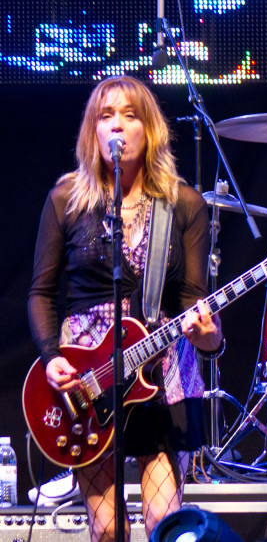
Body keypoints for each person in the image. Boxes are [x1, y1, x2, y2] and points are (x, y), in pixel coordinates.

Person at [28, 75, 220, 542]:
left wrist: (209, 338)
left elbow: (195, 303)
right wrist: (52, 356)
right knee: (110, 527)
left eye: (130, 115)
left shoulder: (184, 204)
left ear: (149, 128)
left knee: (164, 523)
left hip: (155, 372)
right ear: (92, 131)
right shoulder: (66, 199)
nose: (117, 126)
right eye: (106, 116)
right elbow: (40, 292)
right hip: (86, 382)